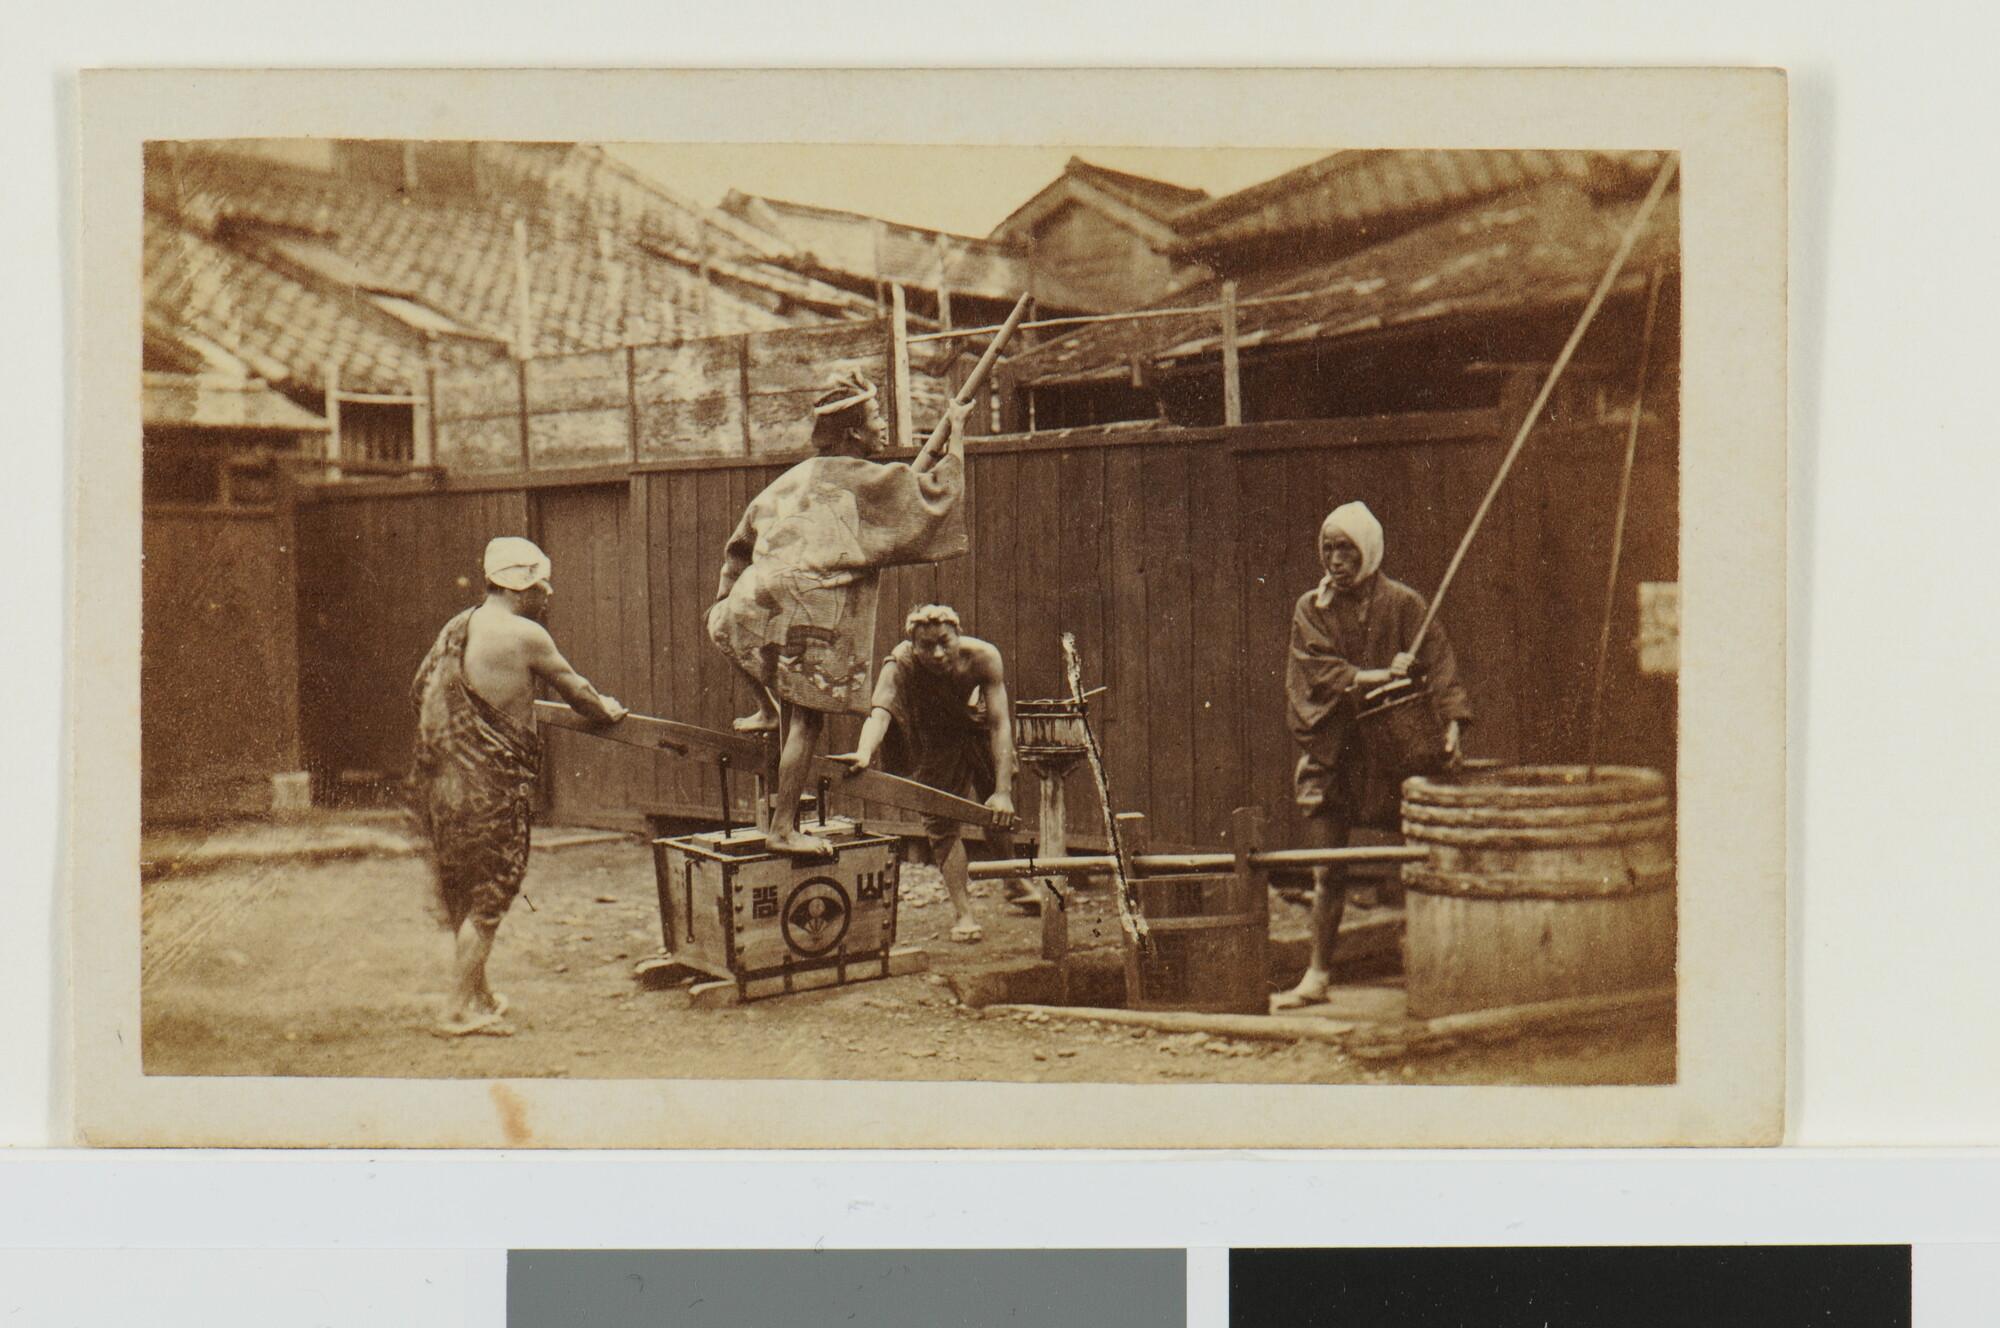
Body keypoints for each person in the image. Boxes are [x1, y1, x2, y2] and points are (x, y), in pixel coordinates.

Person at [707, 371, 972, 855]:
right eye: (876, 418)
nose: (883, 425)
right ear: (853, 432)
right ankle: (783, 829)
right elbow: (937, 498)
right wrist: (956, 431)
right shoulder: (863, 479)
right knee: (807, 724)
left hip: (756, 598)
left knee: (732, 635)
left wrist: (729, 596)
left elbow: (740, 541)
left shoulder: (797, 476)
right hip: (810, 611)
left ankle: (764, 709)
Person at [405, 536, 626, 1037]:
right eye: (542, 584)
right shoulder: (527, 635)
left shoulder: (458, 626)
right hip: (490, 789)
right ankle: (457, 1011)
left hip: (441, 784)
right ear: (520, 586)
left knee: (464, 891)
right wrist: (607, 709)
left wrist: (464, 732)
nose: (548, 593)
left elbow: (419, 690)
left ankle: (478, 994)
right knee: (490, 899)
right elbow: (579, 693)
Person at [1272, 501, 1473, 1011]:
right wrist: (1378, 674)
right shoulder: (1312, 608)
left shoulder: (1404, 604)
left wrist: (1451, 725)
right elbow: (1317, 671)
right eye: (1328, 549)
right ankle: (1317, 974)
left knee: (1420, 860)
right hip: (1336, 751)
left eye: (1347, 549)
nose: (1336, 560)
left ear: (1369, 550)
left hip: (1394, 751)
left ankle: (1429, 966)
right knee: (1328, 868)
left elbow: (1440, 665)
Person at [833, 604, 1019, 943]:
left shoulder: (984, 657)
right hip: (935, 740)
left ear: (958, 635)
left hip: (978, 730)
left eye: (944, 643)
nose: (937, 654)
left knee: (998, 810)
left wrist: (1003, 790)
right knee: (941, 824)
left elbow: (999, 724)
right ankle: (963, 913)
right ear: (913, 645)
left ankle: (1014, 881)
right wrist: (864, 751)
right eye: (926, 646)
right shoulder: (900, 663)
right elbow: (879, 713)